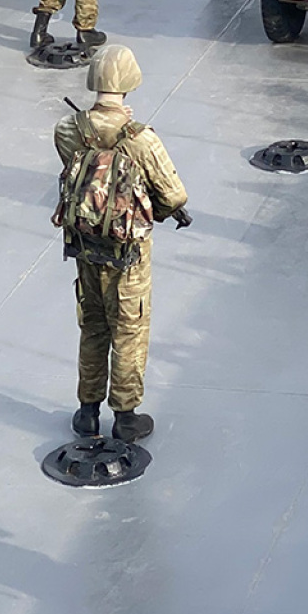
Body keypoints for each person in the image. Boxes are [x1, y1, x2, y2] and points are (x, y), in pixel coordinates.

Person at [53, 44, 191, 443]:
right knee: (129, 328)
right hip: (128, 253)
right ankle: (126, 416)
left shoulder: (68, 129)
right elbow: (174, 196)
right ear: (130, 82)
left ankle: (87, 412)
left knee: (93, 324)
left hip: (84, 245)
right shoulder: (141, 139)